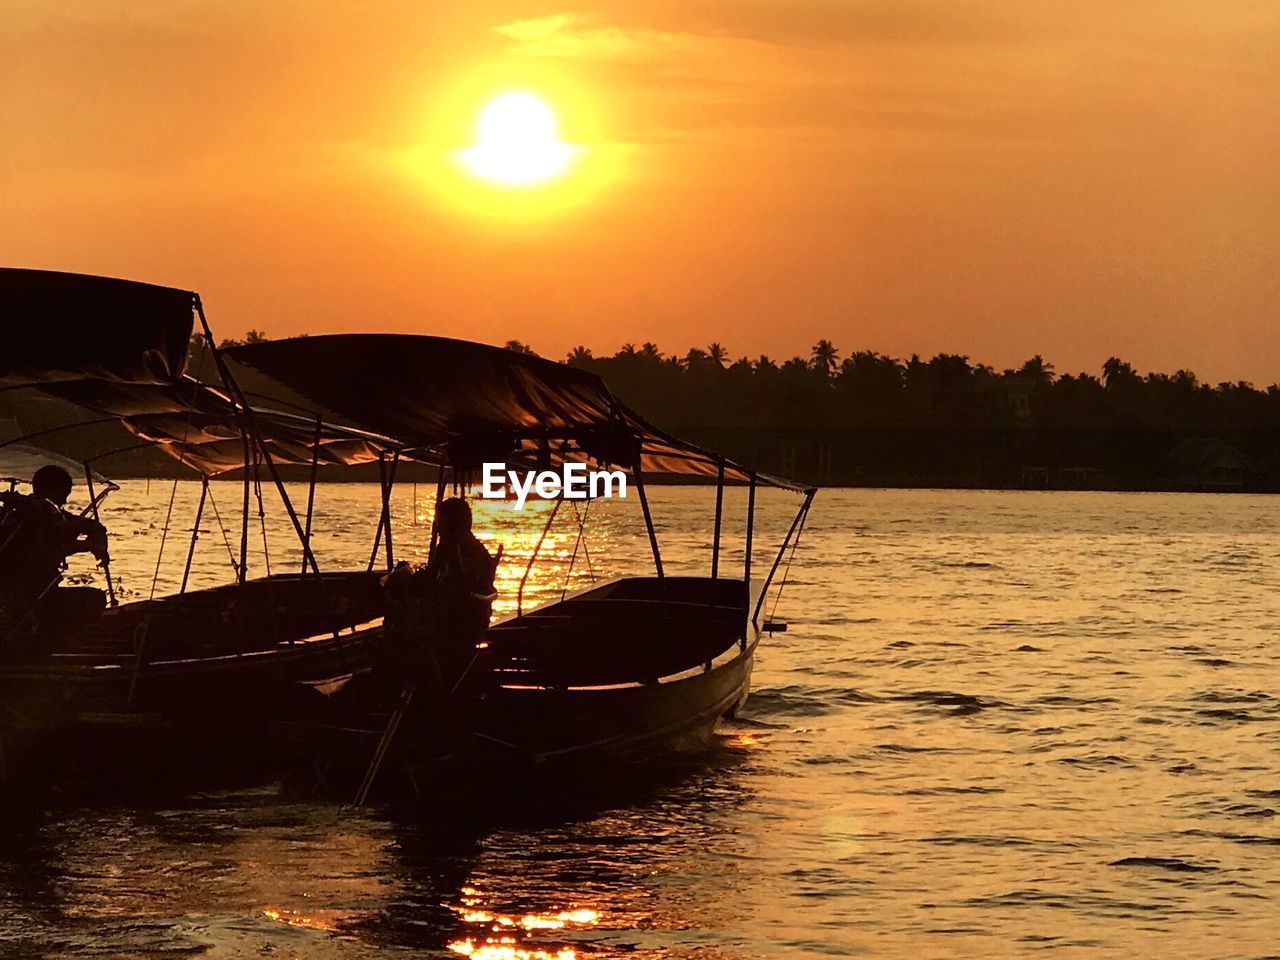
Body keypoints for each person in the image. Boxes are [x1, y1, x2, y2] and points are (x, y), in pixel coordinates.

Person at [380, 497, 500, 699]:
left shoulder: (455, 547)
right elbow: (435, 578)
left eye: (440, 520)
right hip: (466, 619)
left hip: (456, 622)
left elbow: (441, 584)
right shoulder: (465, 545)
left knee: (394, 634)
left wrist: (411, 582)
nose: (436, 525)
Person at [0, 465, 109, 637]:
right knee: (94, 599)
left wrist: (98, 539)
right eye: (64, 494)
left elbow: (91, 526)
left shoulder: (40, 511)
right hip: (27, 597)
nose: (65, 501)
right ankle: (51, 643)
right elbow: (53, 541)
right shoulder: (42, 511)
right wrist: (89, 546)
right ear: (54, 490)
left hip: (25, 595)